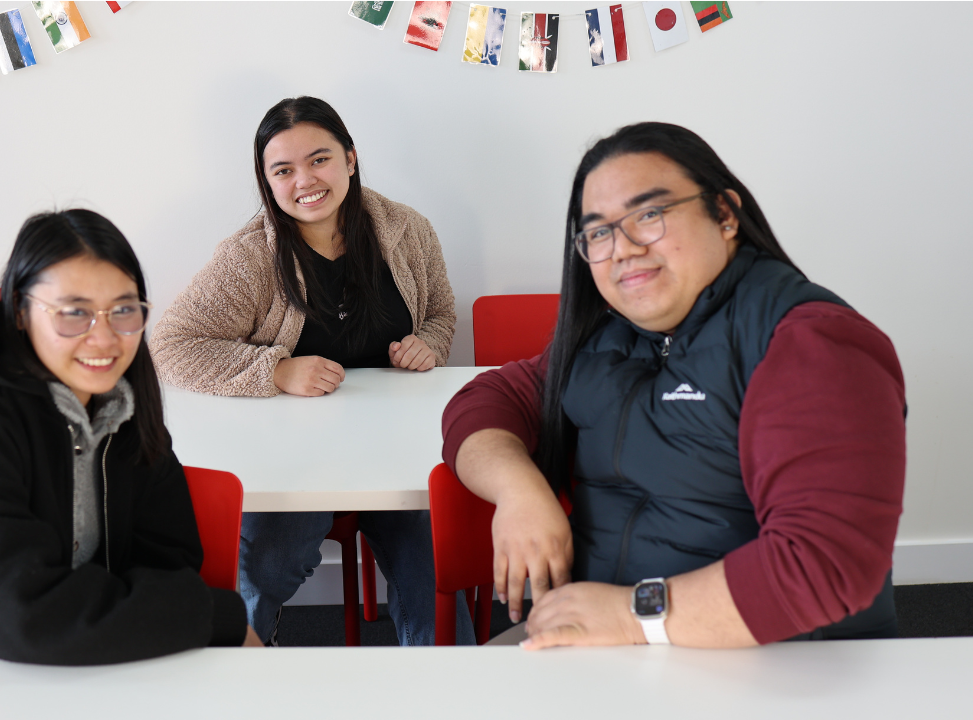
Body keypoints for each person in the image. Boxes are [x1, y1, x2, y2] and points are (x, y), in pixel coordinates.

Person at [442, 122, 905, 649]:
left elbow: (824, 565)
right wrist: (518, 491)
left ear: (724, 214)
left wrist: (630, 615)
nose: (622, 248)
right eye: (598, 232)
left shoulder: (813, 343)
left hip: (777, 661)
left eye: (649, 215)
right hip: (607, 644)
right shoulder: (608, 340)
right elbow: (486, 402)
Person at [0, 210, 262, 664]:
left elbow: (171, 561)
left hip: (81, 656)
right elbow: (20, 615)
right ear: (20, 312)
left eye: (124, 310)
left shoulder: (122, 411)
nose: (105, 338)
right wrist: (213, 615)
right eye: (74, 313)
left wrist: (117, 619)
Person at [149, 96, 470, 645]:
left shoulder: (407, 230)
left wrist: (429, 345)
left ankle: (451, 683)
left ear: (350, 159)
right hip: (293, 455)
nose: (305, 181)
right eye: (283, 170)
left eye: (319, 159)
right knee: (264, 566)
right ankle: (239, 670)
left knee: (431, 566)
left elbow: (440, 311)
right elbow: (171, 345)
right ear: (267, 181)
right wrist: (275, 370)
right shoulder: (249, 257)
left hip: (396, 446)